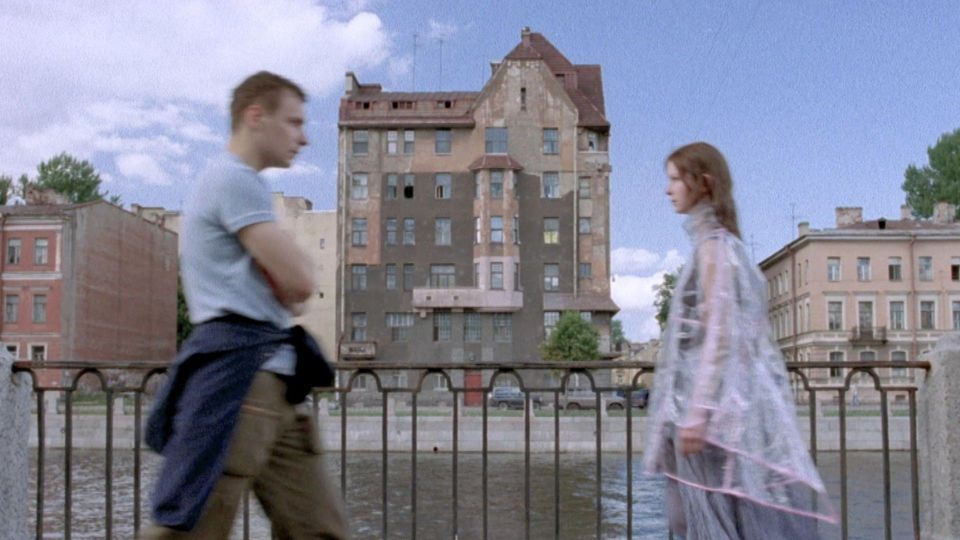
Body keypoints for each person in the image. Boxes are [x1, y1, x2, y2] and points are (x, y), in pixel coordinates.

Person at [140, 71, 347, 539]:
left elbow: (294, 291)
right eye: (293, 122)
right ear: (256, 116)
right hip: (242, 382)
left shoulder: (237, 185)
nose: (304, 137)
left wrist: (286, 274)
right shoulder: (233, 180)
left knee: (319, 529)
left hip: (273, 384)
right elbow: (300, 281)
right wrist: (290, 269)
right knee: (189, 528)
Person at [643, 142, 835, 539]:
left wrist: (698, 411)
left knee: (707, 522)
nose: (668, 189)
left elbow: (721, 333)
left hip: (704, 419)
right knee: (700, 518)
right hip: (701, 416)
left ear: (703, 183)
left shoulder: (714, 249)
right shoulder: (714, 246)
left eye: (676, 179)